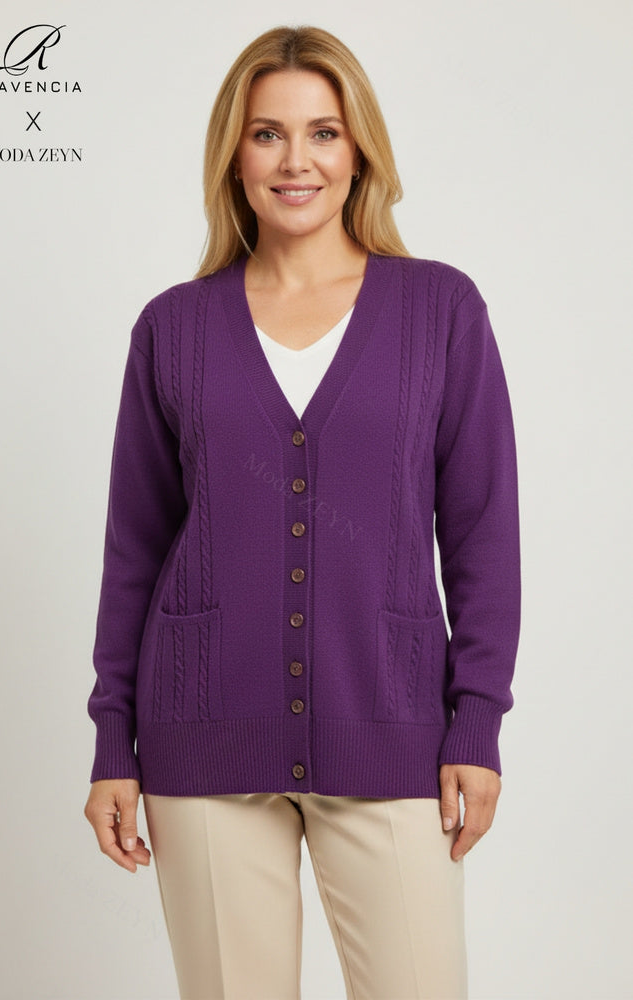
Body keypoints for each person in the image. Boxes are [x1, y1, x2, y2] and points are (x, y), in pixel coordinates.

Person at [84, 24, 520, 1000]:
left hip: (392, 728)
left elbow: (484, 532)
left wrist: (477, 723)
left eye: (323, 132)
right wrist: (114, 740)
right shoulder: (173, 328)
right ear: (234, 156)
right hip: (201, 736)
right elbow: (134, 550)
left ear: (359, 149)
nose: (296, 161)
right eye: (267, 134)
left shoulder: (440, 312)